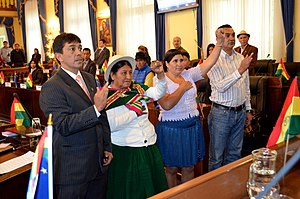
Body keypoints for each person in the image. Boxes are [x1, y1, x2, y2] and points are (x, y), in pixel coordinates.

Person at [39, 33, 113, 199]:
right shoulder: (52, 87)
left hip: (98, 162)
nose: (79, 52)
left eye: (79, 48)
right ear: (59, 57)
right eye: (72, 49)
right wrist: (95, 109)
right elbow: (63, 125)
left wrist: (107, 146)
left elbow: (102, 116)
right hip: (73, 168)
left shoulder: (89, 78)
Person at [155, 28, 225, 188]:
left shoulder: (189, 74)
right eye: (175, 61)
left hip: (191, 126)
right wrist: (182, 88)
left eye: (182, 60)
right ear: (167, 64)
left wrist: (219, 44)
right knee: (171, 168)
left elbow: (209, 62)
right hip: (171, 128)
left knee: (189, 166)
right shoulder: (160, 80)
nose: (180, 64)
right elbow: (166, 104)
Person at [104, 55, 168, 199]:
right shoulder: (106, 96)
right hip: (127, 151)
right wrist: (134, 112)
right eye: (123, 73)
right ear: (112, 75)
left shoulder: (136, 88)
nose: (128, 76)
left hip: (149, 146)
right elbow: (111, 126)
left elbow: (158, 93)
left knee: (155, 191)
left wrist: (160, 75)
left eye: (130, 72)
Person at [207, 24, 253, 171]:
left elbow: (246, 86)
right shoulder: (212, 60)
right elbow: (220, 86)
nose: (232, 38)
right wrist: (239, 70)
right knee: (216, 157)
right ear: (218, 38)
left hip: (240, 113)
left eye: (233, 34)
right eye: (227, 35)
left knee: (235, 155)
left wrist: (248, 109)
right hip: (221, 113)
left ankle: (230, 190)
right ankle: (214, 192)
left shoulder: (241, 58)